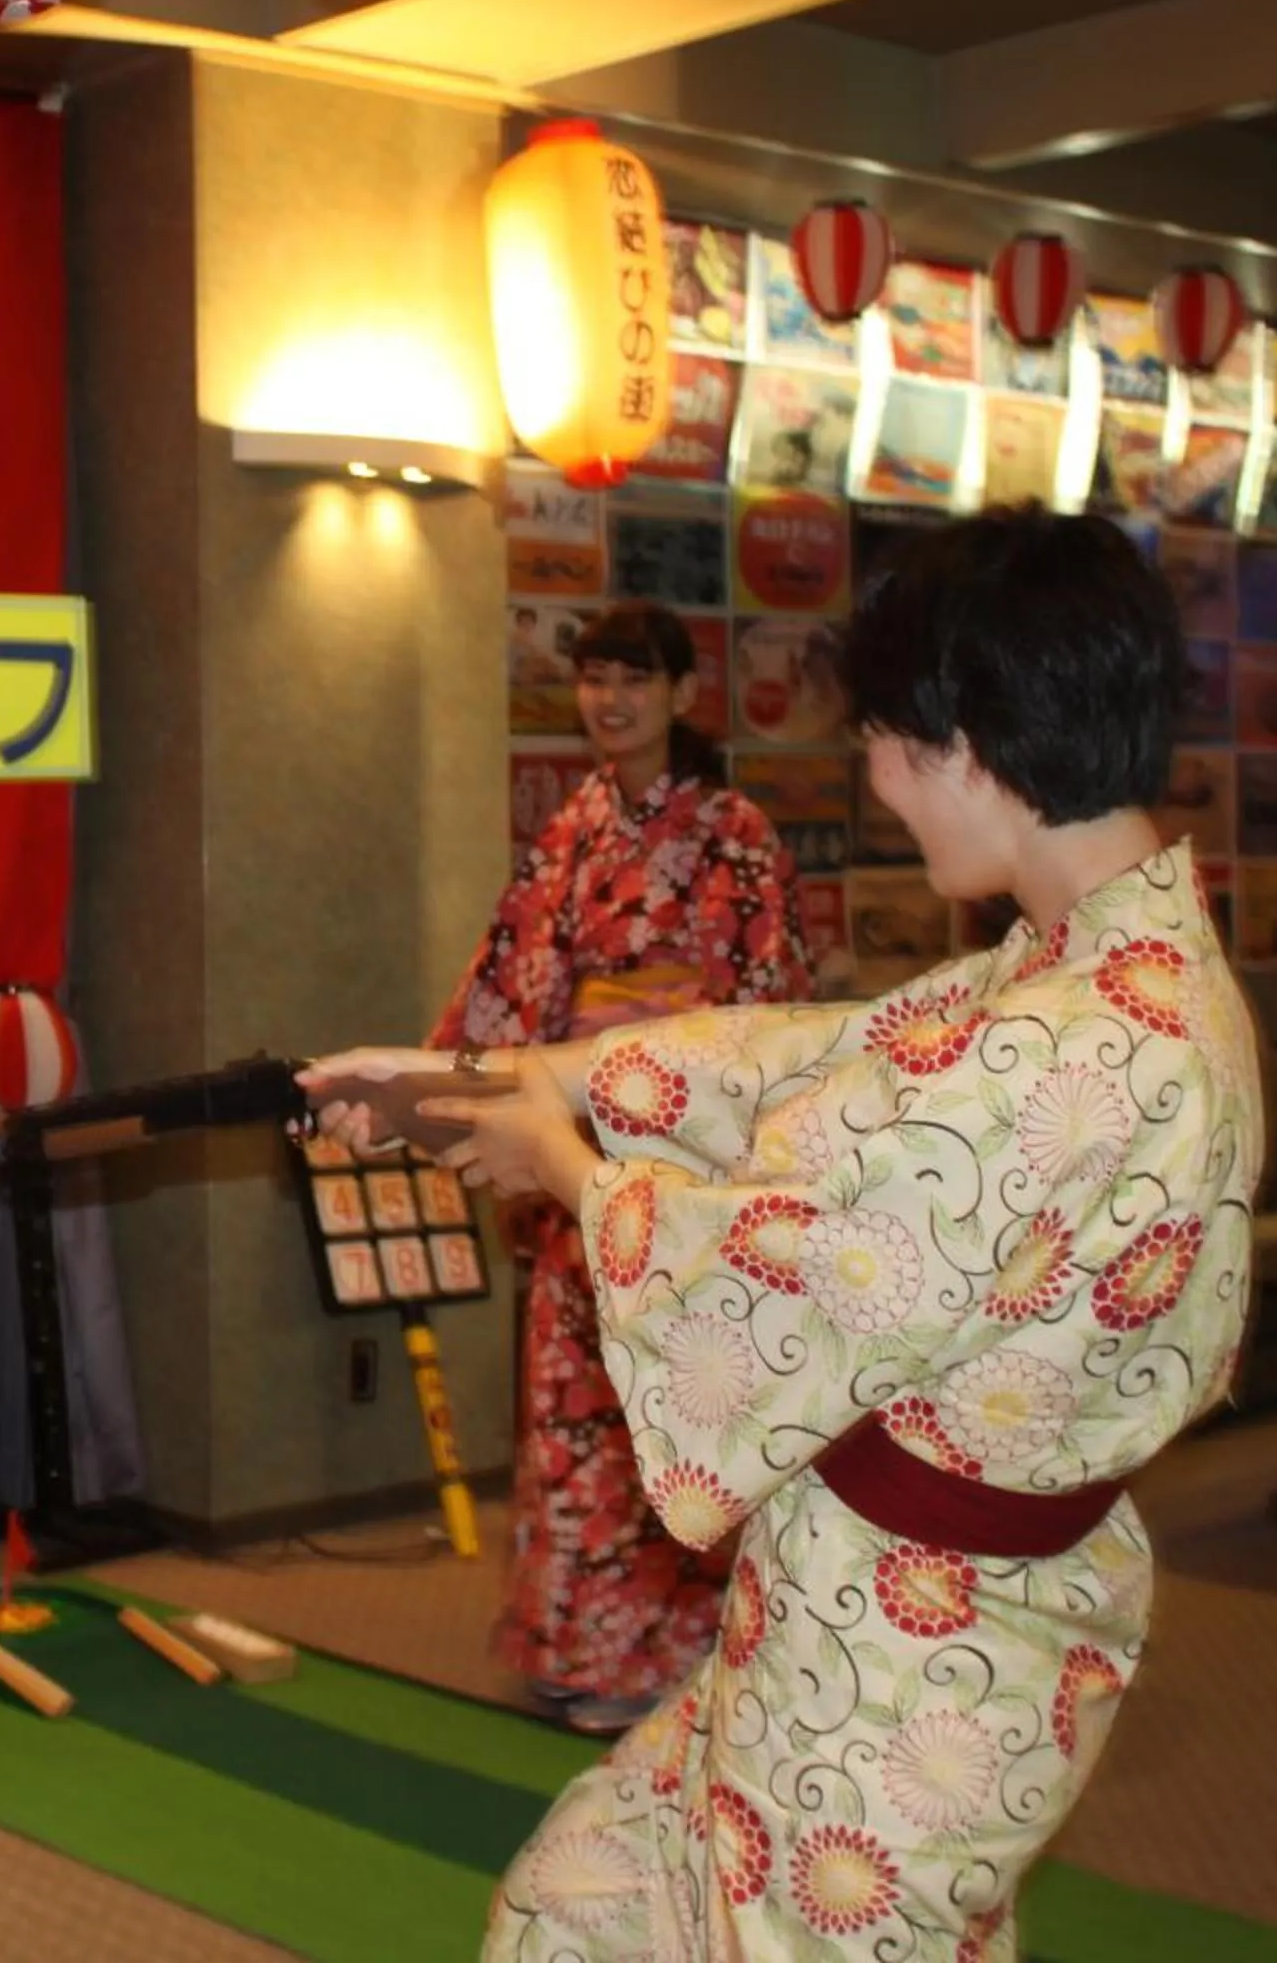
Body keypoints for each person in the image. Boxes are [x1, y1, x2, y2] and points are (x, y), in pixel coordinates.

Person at [315, 506, 1262, 1960]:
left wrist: (566, 1169)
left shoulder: (1087, 1042)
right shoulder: (1102, 970)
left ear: (969, 740)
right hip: (881, 1605)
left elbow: (814, 1272)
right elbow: (818, 1060)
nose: (878, 783)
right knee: (588, 1912)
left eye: (885, 741)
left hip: (916, 1661)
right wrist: (507, 1083)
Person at [432, 601, 811, 1736]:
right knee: (573, 1400)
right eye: (593, 678)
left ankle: (682, 1652)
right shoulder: (572, 831)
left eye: (633, 680)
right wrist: (455, 1086)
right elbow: (514, 978)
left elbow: (769, 999)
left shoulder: (736, 832)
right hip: (578, 1144)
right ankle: (575, 1641)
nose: (610, 700)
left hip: (686, 1150)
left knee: (671, 1399)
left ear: (684, 694)